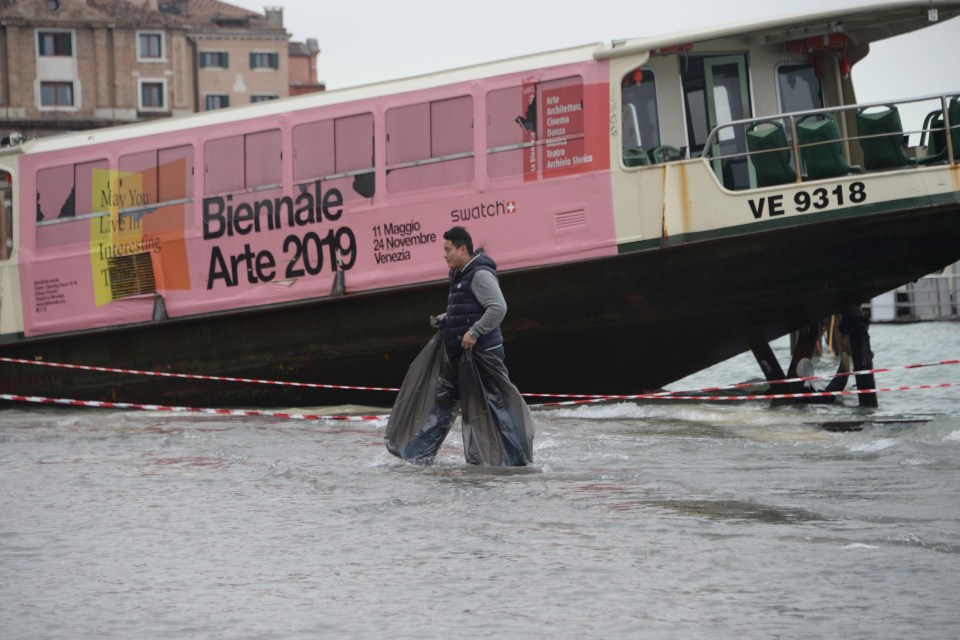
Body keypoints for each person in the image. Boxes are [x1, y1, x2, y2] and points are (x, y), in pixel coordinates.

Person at [385, 225, 534, 465]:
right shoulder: (459, 275)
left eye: (448, 249)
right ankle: (417, 455)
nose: (444, 255)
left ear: (462, 249)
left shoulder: (479, 274)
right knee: (444, 401)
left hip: (482, 354)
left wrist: (474, 331)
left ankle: (515, 458)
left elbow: (498, 308)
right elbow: (470, 307)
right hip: (460, 356)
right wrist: (449, 318)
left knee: (496, 405)